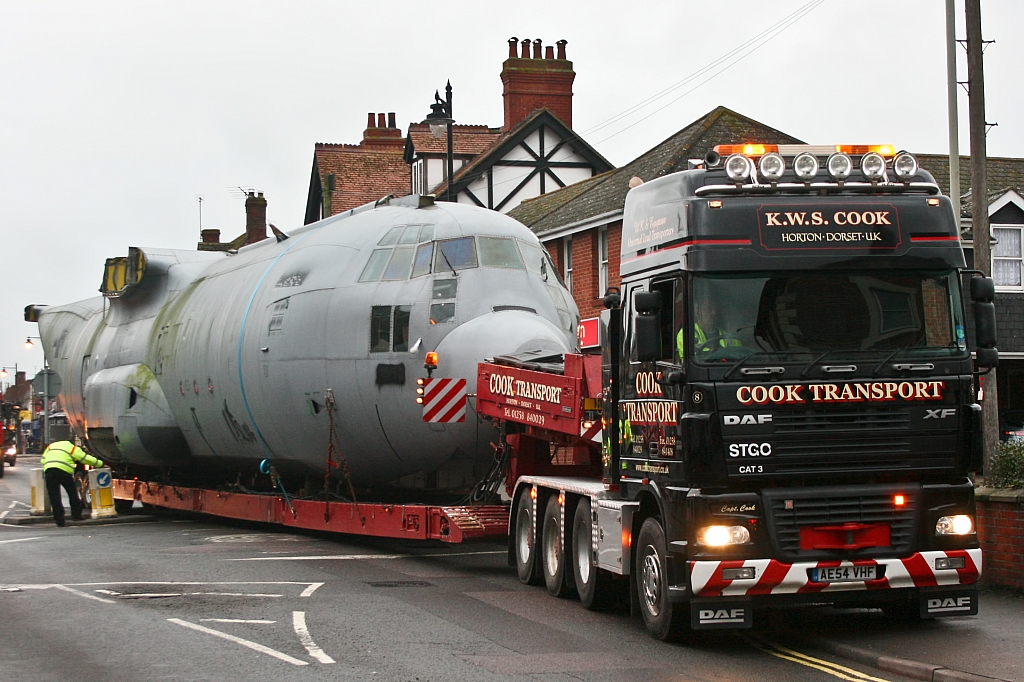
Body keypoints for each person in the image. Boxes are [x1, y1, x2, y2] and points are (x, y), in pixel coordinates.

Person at [40, 440, 103, 527]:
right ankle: (76, 515)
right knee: (72, 493)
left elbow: (43, 460)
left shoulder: (51, 446)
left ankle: (59, 520)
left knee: (54, 497)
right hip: (64, 472)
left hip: (49, 471)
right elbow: (84, 458)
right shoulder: (72, 447)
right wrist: (100, 463)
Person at [676, 297, 741, 360]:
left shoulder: (728, 335)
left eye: (716, 309)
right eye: (709, 309)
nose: (714, 313)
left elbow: (740, 355)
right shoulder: (687, 333)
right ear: (697, 311)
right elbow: (695, 359)